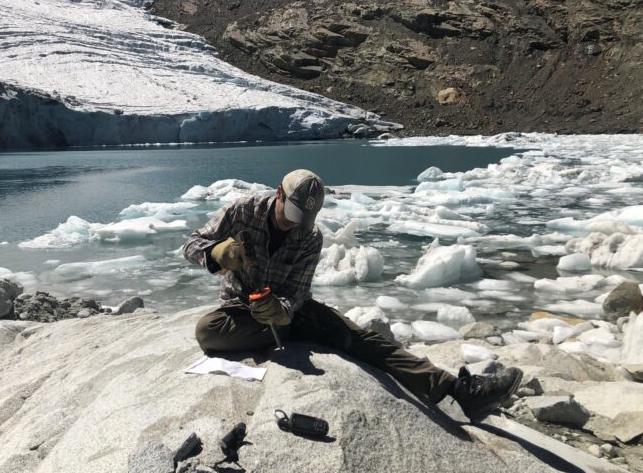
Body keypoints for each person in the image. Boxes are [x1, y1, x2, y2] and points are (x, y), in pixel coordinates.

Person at [183, 169, 522, 423]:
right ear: (279, 195)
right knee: (206, 332)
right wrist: (216, 254)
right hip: (240, 311)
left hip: (290, 314)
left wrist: (283, 312)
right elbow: (191, 244)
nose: (294, 225)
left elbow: (298, 291)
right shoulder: (242, 211)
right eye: (291, 215)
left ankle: (460, 391)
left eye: (303, 219)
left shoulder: (308, 236)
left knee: (361, 339)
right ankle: (285, 332)